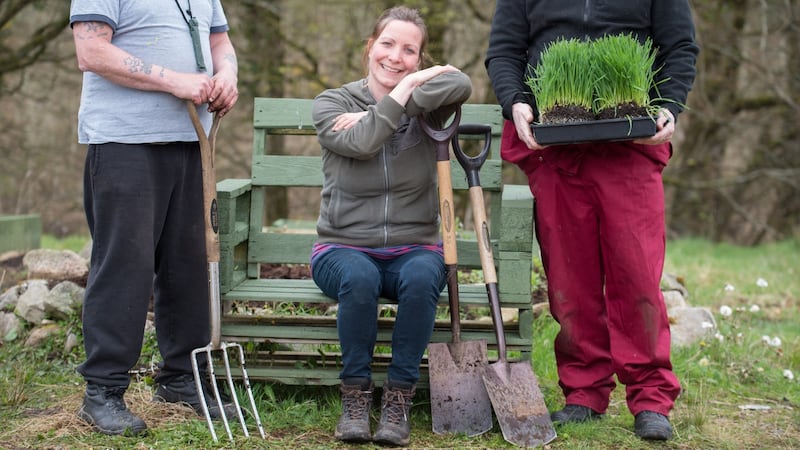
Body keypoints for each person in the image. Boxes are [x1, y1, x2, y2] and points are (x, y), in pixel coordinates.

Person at [485, 0, 699, 442]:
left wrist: (669, 105)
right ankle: (584, 390)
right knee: (570, 277)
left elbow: (680, 47)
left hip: (630, 145)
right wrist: (517, 103)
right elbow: (505, 51)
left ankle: (650, 395)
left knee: (636, 274)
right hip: (556, 147)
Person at [69, 0, 239, 436]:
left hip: (192, 138)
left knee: (189, 265)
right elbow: (91, 52)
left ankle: (181, 379)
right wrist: (173, 80)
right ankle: (103, 391)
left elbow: (219, 41)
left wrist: (228, 75)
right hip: (125, 141)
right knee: (125, 267)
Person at [310, 6, 472, 447]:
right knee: (359, 277)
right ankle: (356, 397)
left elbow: (461, 81)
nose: (395, 57)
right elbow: (361, 143)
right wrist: (399, 98)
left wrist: (400, 95)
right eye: (387, 44)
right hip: (342, 248)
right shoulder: (332, 104)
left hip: (412, 248)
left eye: (409, 51)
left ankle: (398, 399)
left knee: (423, 276)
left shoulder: (429, 103)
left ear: (419, 60)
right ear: (369, 47)